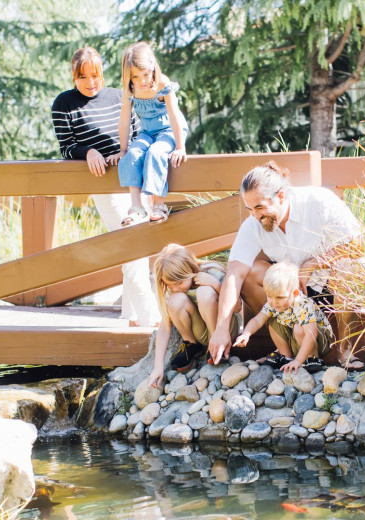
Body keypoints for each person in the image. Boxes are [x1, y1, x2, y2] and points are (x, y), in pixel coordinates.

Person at [208, 161, 365, 367]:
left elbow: (357, 245)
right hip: (292, 298)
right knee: (249, 275)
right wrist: (221, 329)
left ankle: (346, 351)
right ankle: (290, 349)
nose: (255, 216)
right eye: (249, 209)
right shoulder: (253, 223)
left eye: (260, 207)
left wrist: (314, 263)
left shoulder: (318, 202)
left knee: (348, 268)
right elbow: (233, 275)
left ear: (281, 196)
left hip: (333, 287)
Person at [51, 46, 160, 327]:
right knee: (131, 243)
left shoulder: (117, 96)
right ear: (73, 76)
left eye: (95, 76)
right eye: (83, 77)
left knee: (138, 243)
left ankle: (131, 314)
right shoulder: (64, 104)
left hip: (133, 177)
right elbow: (66, 147)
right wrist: (88, 152)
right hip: (104, 184)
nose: (90, 82)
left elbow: (138, 133)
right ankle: (151, 318)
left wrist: (124, 151)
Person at [111, 42, 188, 226]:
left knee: (156, 152)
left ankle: (158, 205)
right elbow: (124, 119)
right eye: (135, 77)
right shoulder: (130, 89)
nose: (142, 81)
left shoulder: (162, 83)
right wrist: (122, 150)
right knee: (132, 155)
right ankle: (136, 207)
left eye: (145, 75)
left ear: (153, 67)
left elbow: (174, 114)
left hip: (169, 130)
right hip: (147, 132)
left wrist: (180, 147)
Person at [148, 244, 241, 388]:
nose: (175, 288)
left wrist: (216, 284)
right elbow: (165, 327)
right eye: (170, 285)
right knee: (175, 300)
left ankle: (216, 347)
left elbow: (238, 307)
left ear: (190, 270)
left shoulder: (212, 272)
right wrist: (158, 366)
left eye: (179, 283)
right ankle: (190, 345)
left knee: (204, 293)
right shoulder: (173, 288)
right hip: (200, 332)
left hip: (223, 329)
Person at [233, 262, 334, 374]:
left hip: (319, 341)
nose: (274, 302)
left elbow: (311, 335)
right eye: (269, 296)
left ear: (295, 293)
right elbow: (258, 319)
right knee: (271, 320)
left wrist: (298, 361)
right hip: (296, 339)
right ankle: (286, 356)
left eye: (280, 297)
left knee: (298, 328)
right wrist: (246, 333)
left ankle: (312, 359)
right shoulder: (273, 303)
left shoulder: (303, 305)